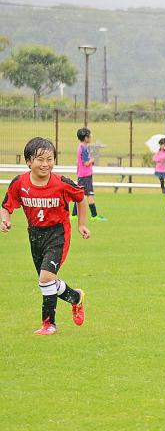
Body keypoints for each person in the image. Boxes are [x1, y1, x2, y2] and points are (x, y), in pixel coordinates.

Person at [1, 137, 90, 335]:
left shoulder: (62, 183)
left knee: (46, 278)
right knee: (47, 281)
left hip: (58, 233)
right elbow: (6, 206)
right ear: (28, 161)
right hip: (35, 235)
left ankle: (49, 324)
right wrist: (5, 220)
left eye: (50, 159)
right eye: (40, 159)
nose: (45, 164)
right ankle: (76, 298)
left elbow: (81, 198)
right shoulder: (19, 183)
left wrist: (81, 224)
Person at [72, 128, 106, 222]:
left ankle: (74, 214)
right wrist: (93, 159)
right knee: (90, 194)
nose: (91, 137)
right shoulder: (84, 149)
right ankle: (94, 215)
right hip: (85, 175)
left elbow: (78, 161)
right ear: (85, 137)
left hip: (82, 174)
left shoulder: (81, 147)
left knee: (80, 194)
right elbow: (86, 163)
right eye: (89, 135)